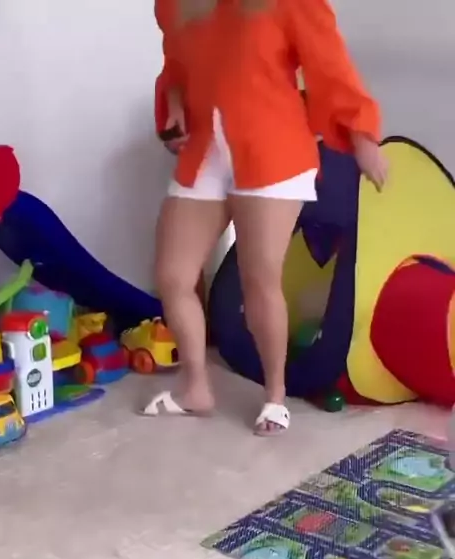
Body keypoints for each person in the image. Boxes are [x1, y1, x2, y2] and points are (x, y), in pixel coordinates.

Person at [144, 0, 388, 435]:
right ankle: (195, 387)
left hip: (274, 149)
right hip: (206, 149)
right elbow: (176, 65)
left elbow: (329, 63)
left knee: (259, 278)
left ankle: (275, 395)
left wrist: (361, 135)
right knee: (173, 275)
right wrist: (174, 105)